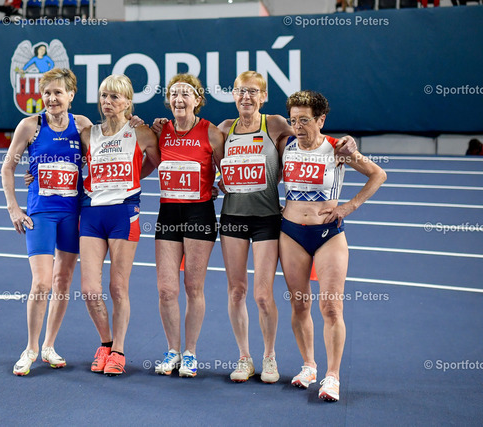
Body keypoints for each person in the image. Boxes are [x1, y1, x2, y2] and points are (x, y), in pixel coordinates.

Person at [280, 90, 386, 401]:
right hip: (291, 234)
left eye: (305, 120)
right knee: (299, 304)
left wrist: (349, 206)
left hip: (328, 234)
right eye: (293, 120)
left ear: (321, 120)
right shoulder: (285, 146)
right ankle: (309, 366)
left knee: (330, 307)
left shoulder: (337, 148)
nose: (298, 126)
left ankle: (333, 375)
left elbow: (378, 174)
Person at [1, 68, 93, 376]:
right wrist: (14, 208)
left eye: (58, 93)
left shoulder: (83, 125)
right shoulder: (30, 125)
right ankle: (30, 348)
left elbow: (102, 158)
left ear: (71, 95)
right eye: (47, 93)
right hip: (41, 212)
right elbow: (7, 168)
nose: (52, 98)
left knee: (62, 282)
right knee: (41, 282)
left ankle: (49, 346)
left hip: (72, 213)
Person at [79, 74, 160, 376]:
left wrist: (137, 175)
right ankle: (105, 342)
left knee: (117, 287)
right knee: (89, 290)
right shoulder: (88, 134)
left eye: (114, 97)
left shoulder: (141, 132)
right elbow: (67, 161)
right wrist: (34, 174)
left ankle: (119, 350)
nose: (108, 102)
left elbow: (159, 162)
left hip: (124, 214)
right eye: (104, 96)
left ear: (128, 101)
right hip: (91, 213)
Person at [216, 71, 293, 383]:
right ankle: (244, 357)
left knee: (262, 295)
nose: (246, 97)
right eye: (240, 91)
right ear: (233, 95)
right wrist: (220, 181)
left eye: (253, 91)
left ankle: (269, 356)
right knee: (236, 291)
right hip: (232, 217)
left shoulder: (274, 124)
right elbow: (216, 168)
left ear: (264, 96)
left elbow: (304, 147)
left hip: (266, 218)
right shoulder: (224, 129)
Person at [151, 74, 224, 378]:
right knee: (166, 290)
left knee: (193, 287)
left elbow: (227, 172)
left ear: (198, 99)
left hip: (199, 215)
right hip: (168, 214)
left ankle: (191, 353)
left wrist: (217, 185)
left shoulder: (212, 133)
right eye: (174, 94)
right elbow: (141, 164)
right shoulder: (160, 131)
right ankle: (173, 350)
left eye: (185, 94)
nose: (179, 99)